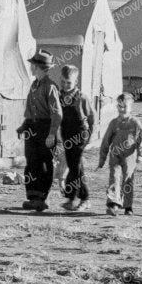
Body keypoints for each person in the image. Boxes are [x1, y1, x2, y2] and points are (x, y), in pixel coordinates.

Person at [16, 51, 63, 212]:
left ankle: (43, 198)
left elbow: (57, 113)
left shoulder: (50, 87)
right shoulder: (34, 85)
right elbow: (30, 110)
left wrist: (51, 134)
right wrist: (24, 126)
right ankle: (33, 197)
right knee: (32, 163)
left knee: (45, 164)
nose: (30, 67)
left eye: (32, 65)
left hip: (46, 128)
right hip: (32, 128)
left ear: (39, 67)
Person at [95, 94, 142, 215]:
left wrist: (141, 154)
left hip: (130, 156)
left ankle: (128, 206)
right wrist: (102, 159)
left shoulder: (135, 123)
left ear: (131, 108)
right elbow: (106, 141)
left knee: (128, 180)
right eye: (119, 106)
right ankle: (113, 203)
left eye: (125, 106)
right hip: (115, 155)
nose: (122, 109)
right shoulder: (114, 123)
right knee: (114, 177)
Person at [56, 62, 92, 211]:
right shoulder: (58, 96)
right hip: (66, 133)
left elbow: (92, 118)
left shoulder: (81, 97)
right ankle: (72, 198)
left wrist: (88, 139)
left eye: (68, 82)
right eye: (63, 82)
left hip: (79, 134)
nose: (65, 85)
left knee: (75, 167)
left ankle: (83, 199)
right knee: (74, 166)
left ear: (76, 82)